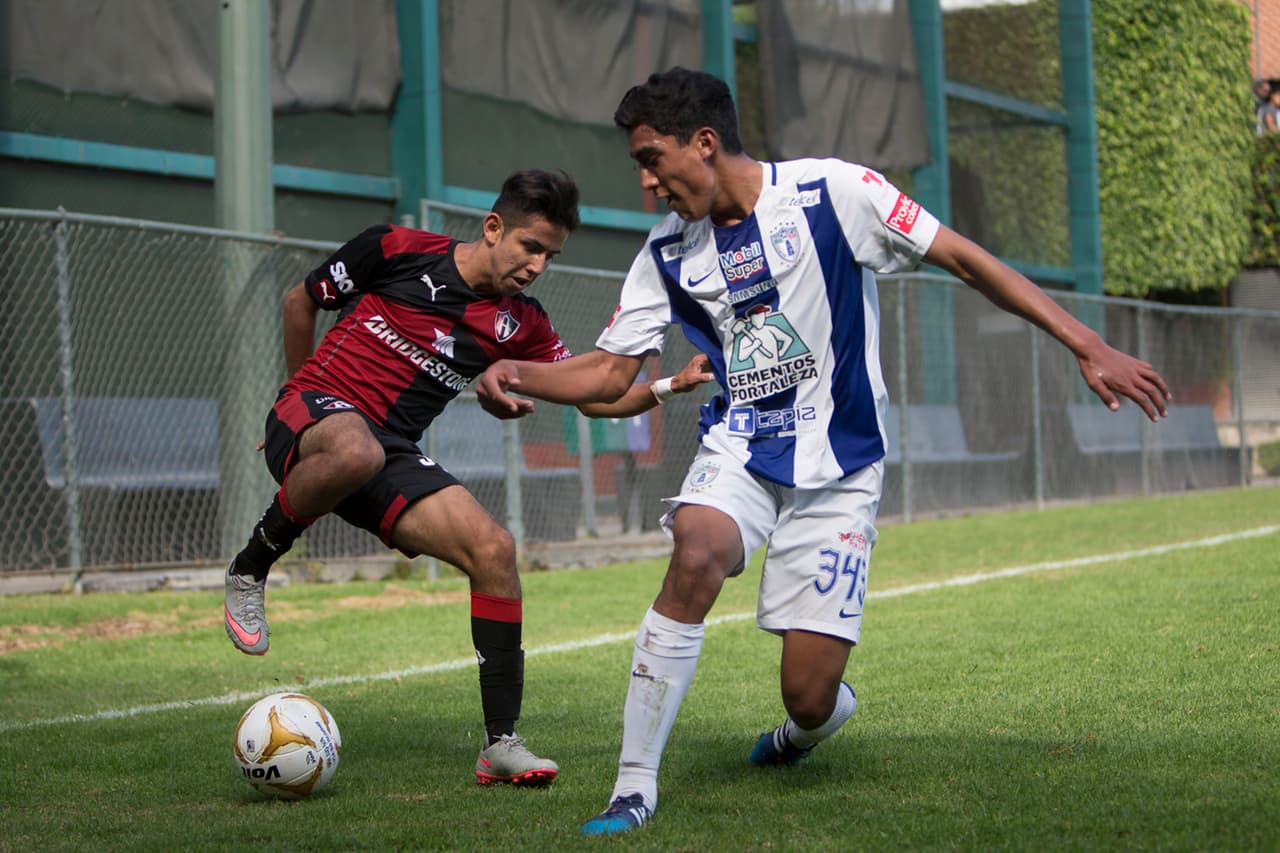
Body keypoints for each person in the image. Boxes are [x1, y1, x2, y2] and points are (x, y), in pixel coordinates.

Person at [474, 68, 1172, 835]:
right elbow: (610, 374)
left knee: (808, 696)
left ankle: (801, 732)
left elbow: (965, 258)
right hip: (742, 442)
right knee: (696, 545)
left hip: (841, 466)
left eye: (651, 158)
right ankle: (634, 785)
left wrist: (1087, 343)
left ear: (704, 144)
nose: (646, 183)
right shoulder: (667, 250)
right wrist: (519, 369)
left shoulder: (832, 193)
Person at [222, 168, 710, 787]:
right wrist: (296, 397)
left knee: (494, 549)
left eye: (550, 256)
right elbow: (301, 301)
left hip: (385, 449)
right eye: (530, 246)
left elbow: (594, 395)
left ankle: (500, 745)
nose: (536, 265)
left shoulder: (522, 323)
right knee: (353, 452)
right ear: (493, 227)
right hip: (318, 410)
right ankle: (252, 565)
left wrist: (668, 386)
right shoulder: (396, 248)